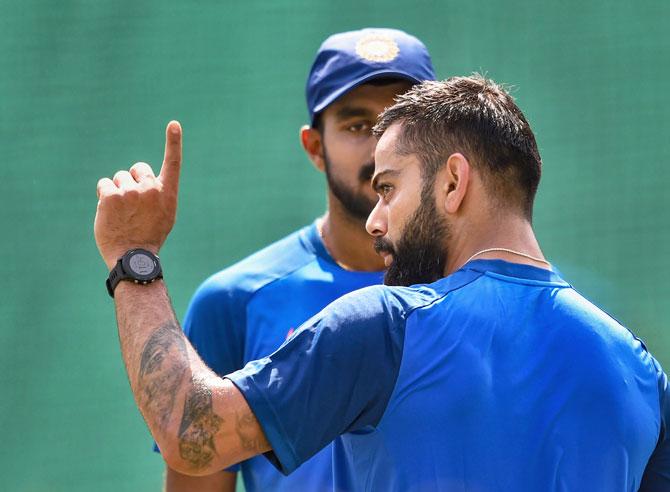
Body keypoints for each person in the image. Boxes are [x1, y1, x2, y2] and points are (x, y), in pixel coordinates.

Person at [94, 75, 669, 491]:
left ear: (453, 183)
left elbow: (191, 431)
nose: (374, 219)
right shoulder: (639, 370)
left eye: (388, 187)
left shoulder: (384, 325)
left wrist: (133, 256)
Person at [165, 28, 436, 491]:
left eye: (399, 126)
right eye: (356, 126)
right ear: (315, 147)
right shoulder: (235, 301)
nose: (379, 149)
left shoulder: (469, 285)